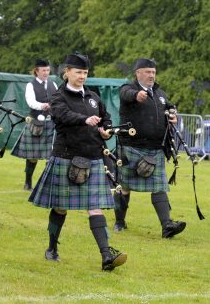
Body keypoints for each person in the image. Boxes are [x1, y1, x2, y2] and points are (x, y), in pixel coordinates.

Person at [29, 53, 127, 271]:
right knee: (61, 208)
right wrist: (84, 119)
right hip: (66, 157)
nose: (82, 76)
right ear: (67, 72)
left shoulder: (93, 97)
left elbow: (106, 118)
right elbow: (62, 116)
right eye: (78, 72)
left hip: (92, 157)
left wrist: (106, 131)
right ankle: (52, 247)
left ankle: (106, 255)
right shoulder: (58, 96)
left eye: (85, 72)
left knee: (95, 207)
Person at [114, 58, 186, 238]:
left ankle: (166, 226)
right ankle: (119, 222)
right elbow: (125, 94)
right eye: (147, 72)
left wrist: (173, 114)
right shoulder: (128, 89)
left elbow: (169, 106)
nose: (151, 75)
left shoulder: (159, 93)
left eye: (153, 72)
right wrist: (136, 96)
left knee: (159, 186)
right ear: (137, 73)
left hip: (155, 148)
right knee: (125, 187)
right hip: (132, 146)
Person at [11, 59, 58, 190]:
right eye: (43, 70)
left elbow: (58, 99)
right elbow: (30, 102)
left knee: (51, 156)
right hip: (36, 123)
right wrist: (41, 105)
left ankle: (47, 185)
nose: (46, 73)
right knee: (32, 157)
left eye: (48, 70)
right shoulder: (30, 85)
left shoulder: (53, 84)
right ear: (36, 71)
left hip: (52, 123)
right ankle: (28, 182)